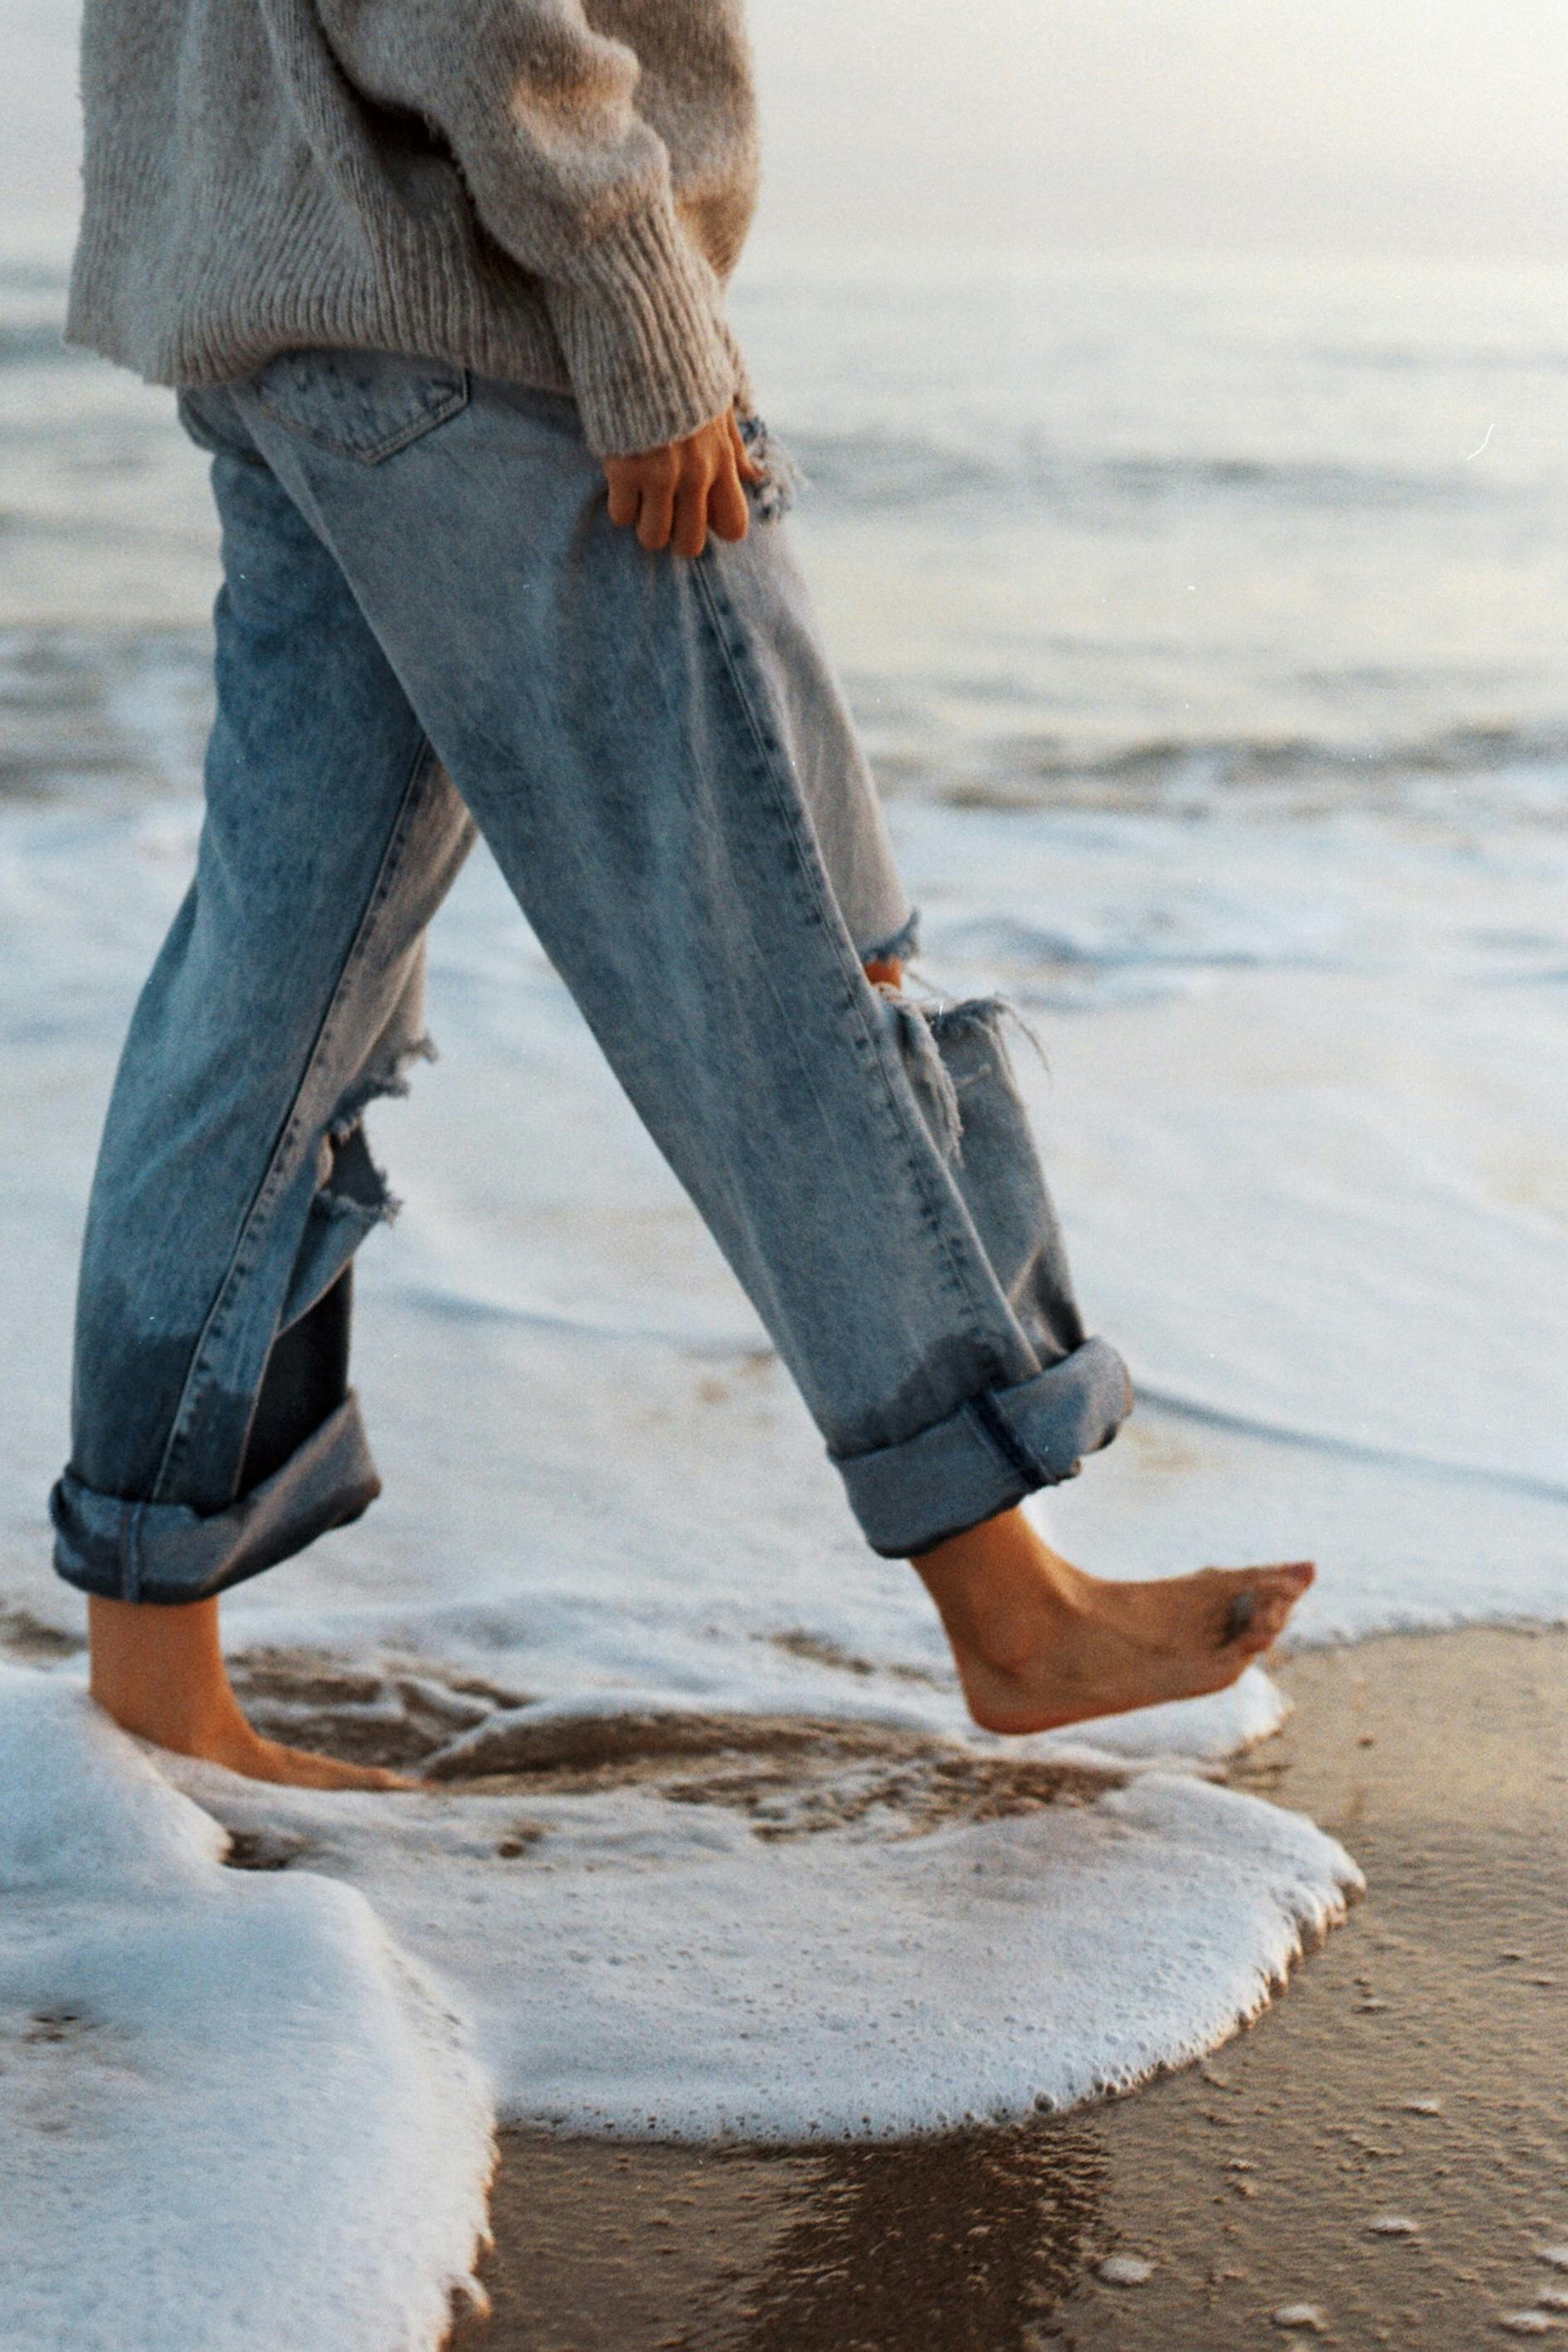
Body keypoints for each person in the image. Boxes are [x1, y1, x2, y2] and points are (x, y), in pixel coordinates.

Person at [53, 0, 1312, 1790]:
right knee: (782, 942)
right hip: (471, 308)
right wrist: (638, 302)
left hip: (284, 309)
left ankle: (153, 1667)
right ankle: (1009, 1605)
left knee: (264, 998)